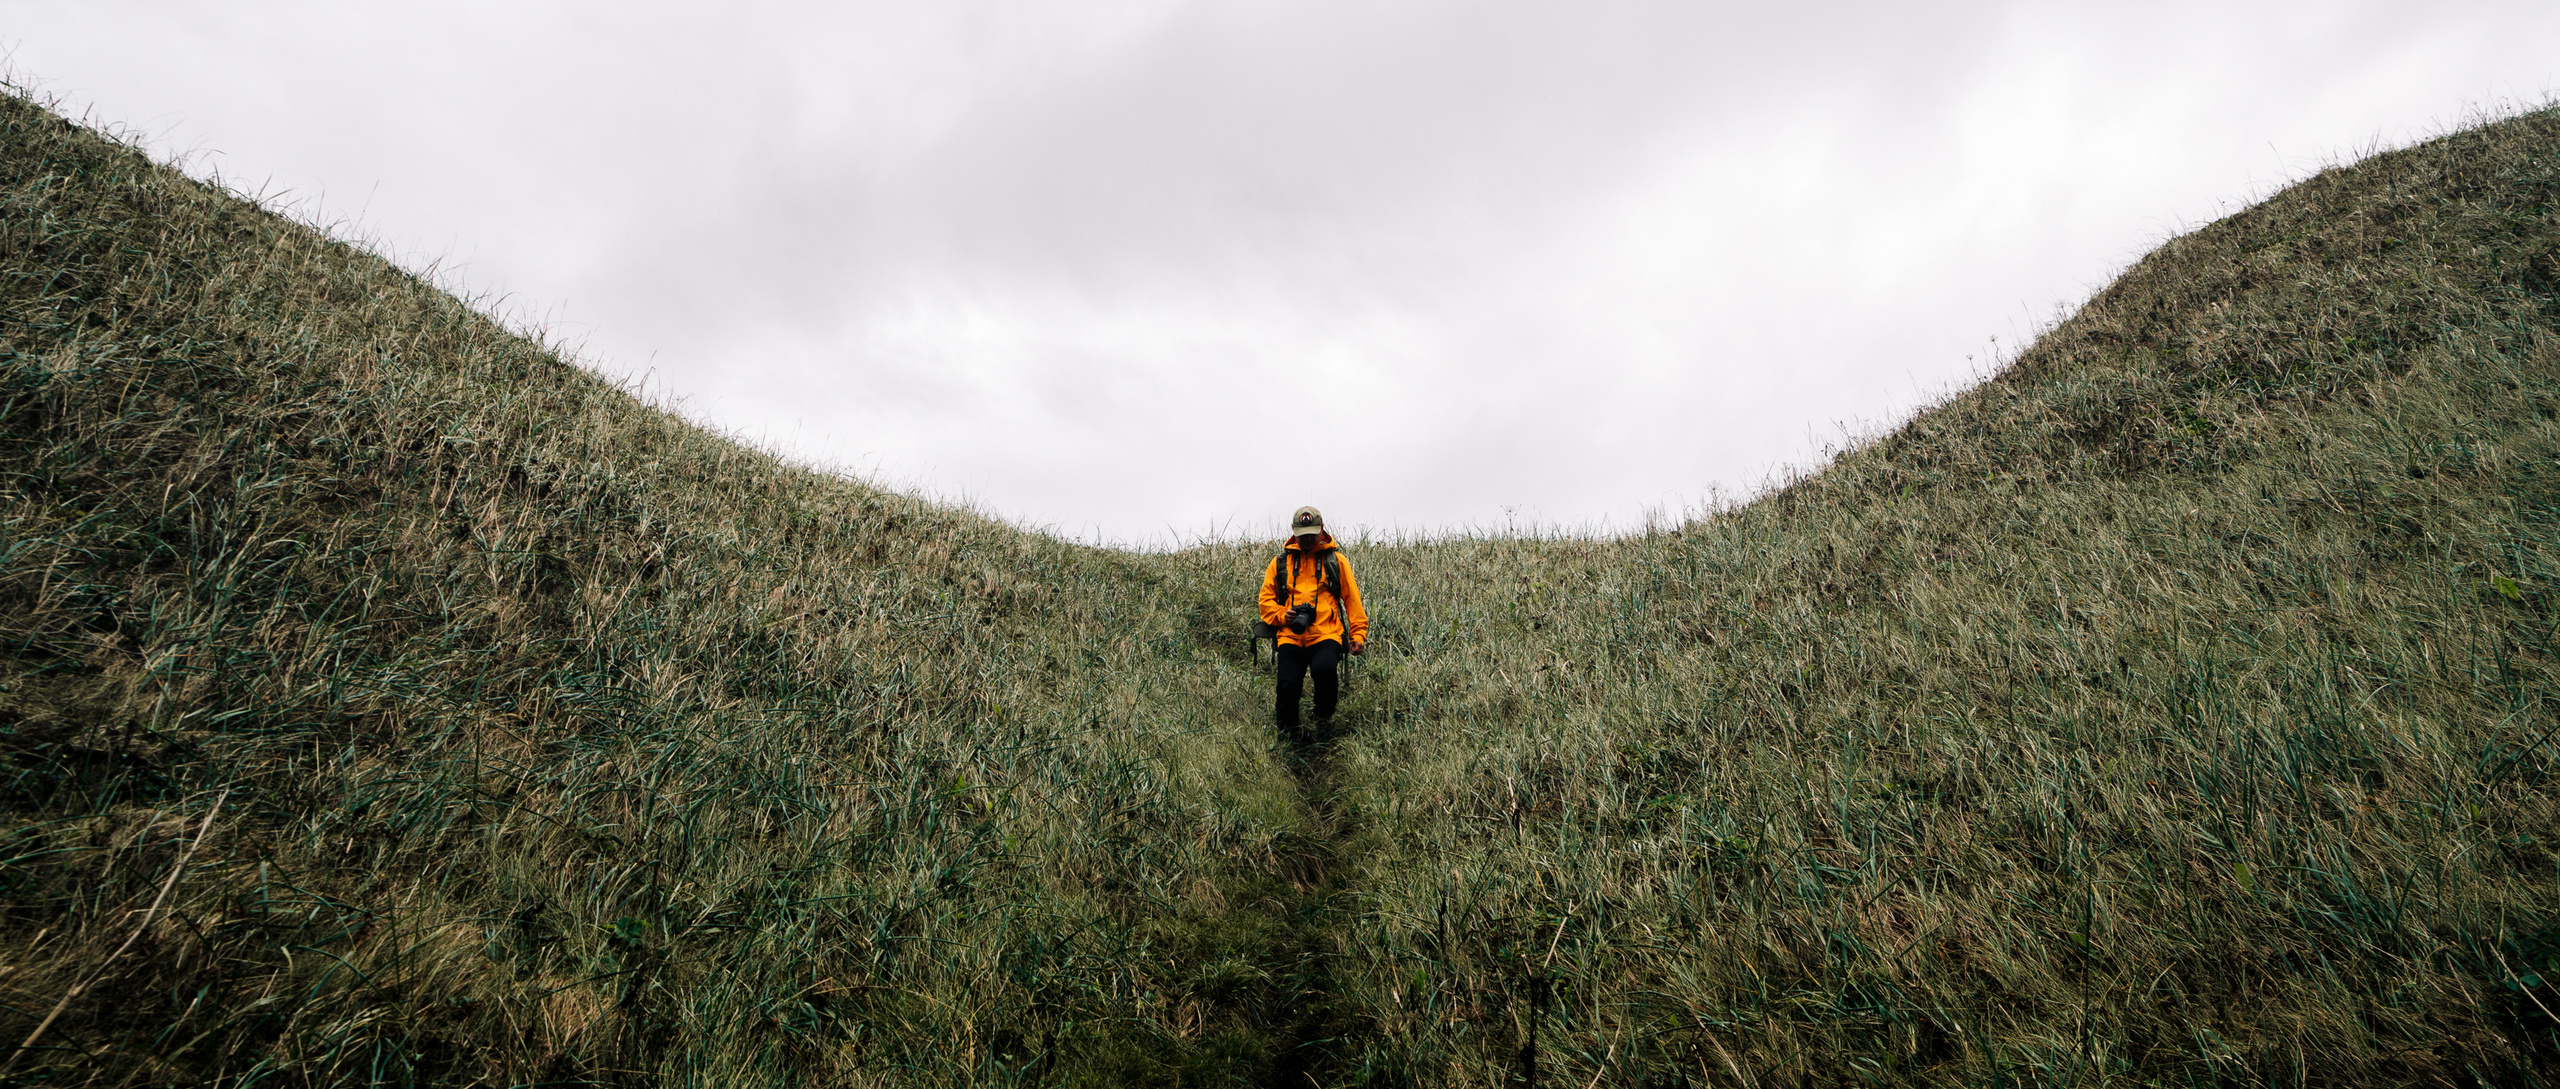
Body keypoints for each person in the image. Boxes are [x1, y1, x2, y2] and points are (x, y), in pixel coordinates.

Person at [1259, 505, 1368, 738]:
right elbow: (1265, 602)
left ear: (1322, 530)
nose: (1307, 539)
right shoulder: (1279, 563)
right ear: (1293, 532)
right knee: (1288, 684)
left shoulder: (1337, 562)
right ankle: (1288, 733)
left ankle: (1323, 718)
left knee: (1325, 670)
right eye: (1303, 535)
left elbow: (1352, 601)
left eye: (1312, 533)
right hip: (1291, 634)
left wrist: (1357, 635)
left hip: (1326, 633)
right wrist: (1282, 615)